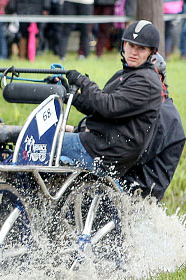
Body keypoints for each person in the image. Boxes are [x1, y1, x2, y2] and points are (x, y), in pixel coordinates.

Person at [62, 20, 164, 173]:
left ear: (152, 52)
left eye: (141, 48)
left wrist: (82, 81)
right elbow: (99, 108)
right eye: (130, 46)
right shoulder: (126, 74)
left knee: (41, 143)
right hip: (100, 143)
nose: (134, 52)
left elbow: (109, 106)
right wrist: (69, 95)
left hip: (106, 152)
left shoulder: (146, 82)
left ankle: (19, 194)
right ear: (124, 45)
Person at [121, 54, 185, 201]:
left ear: (159, 79)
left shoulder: (162, 114)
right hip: (129, 181)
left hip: (139, 192)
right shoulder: (145, 106)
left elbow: (133, 153)